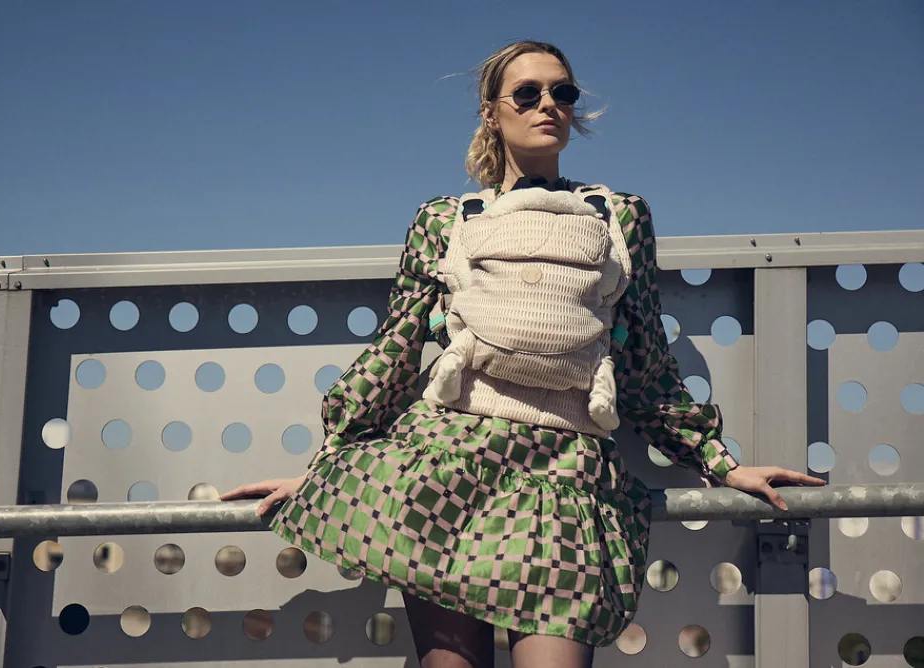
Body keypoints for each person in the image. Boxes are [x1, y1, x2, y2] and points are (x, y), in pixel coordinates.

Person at [221, 40, 824, 668]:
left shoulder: (619, 217)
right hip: (444, 466)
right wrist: (332, 464)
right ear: (491, 112)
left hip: (565, 479)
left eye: (563, 92)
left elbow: (644, 361)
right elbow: (396, 350)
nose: (548, 105)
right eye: (528, 93)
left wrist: (721, 464)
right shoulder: (444, 220)